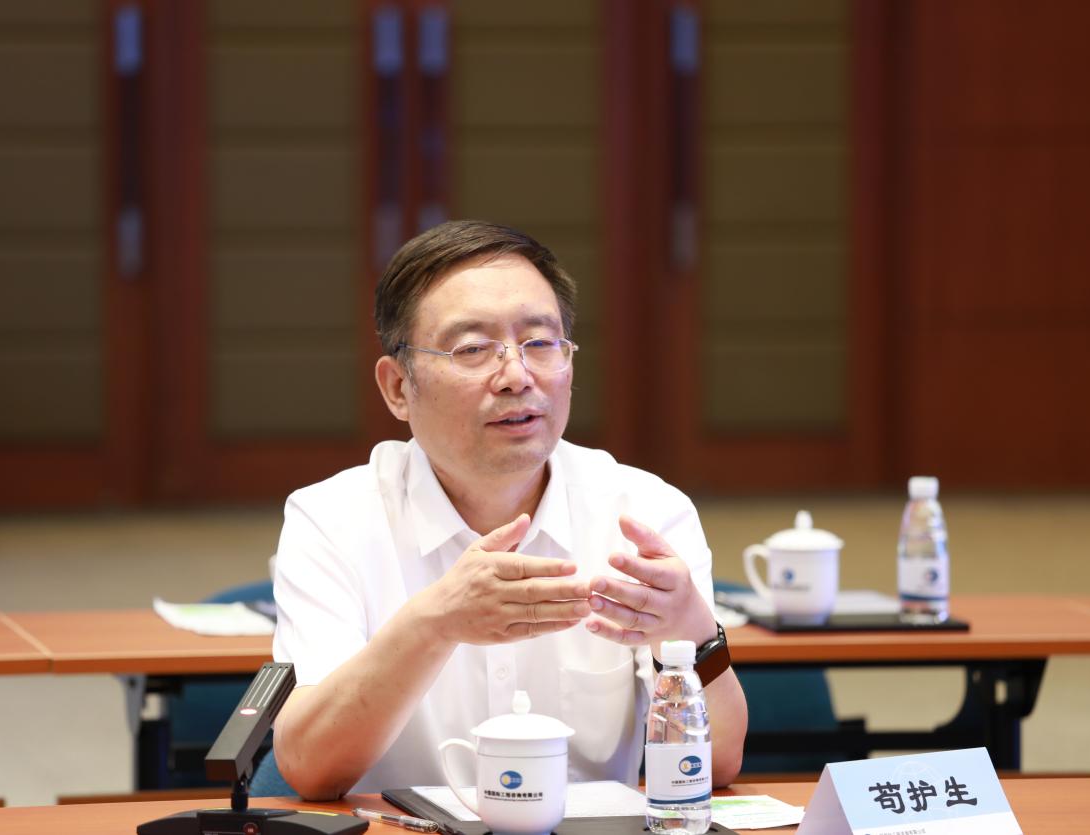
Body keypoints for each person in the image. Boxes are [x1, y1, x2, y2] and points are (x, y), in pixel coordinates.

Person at [269, 220, 747, 800]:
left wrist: (693, 632)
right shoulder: (332, 520)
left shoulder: (645, 514)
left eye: (540, 343)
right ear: (397, 387)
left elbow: (717, 763)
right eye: (472, 349)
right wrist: (433, 624)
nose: (517, 377)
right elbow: (309, 766)